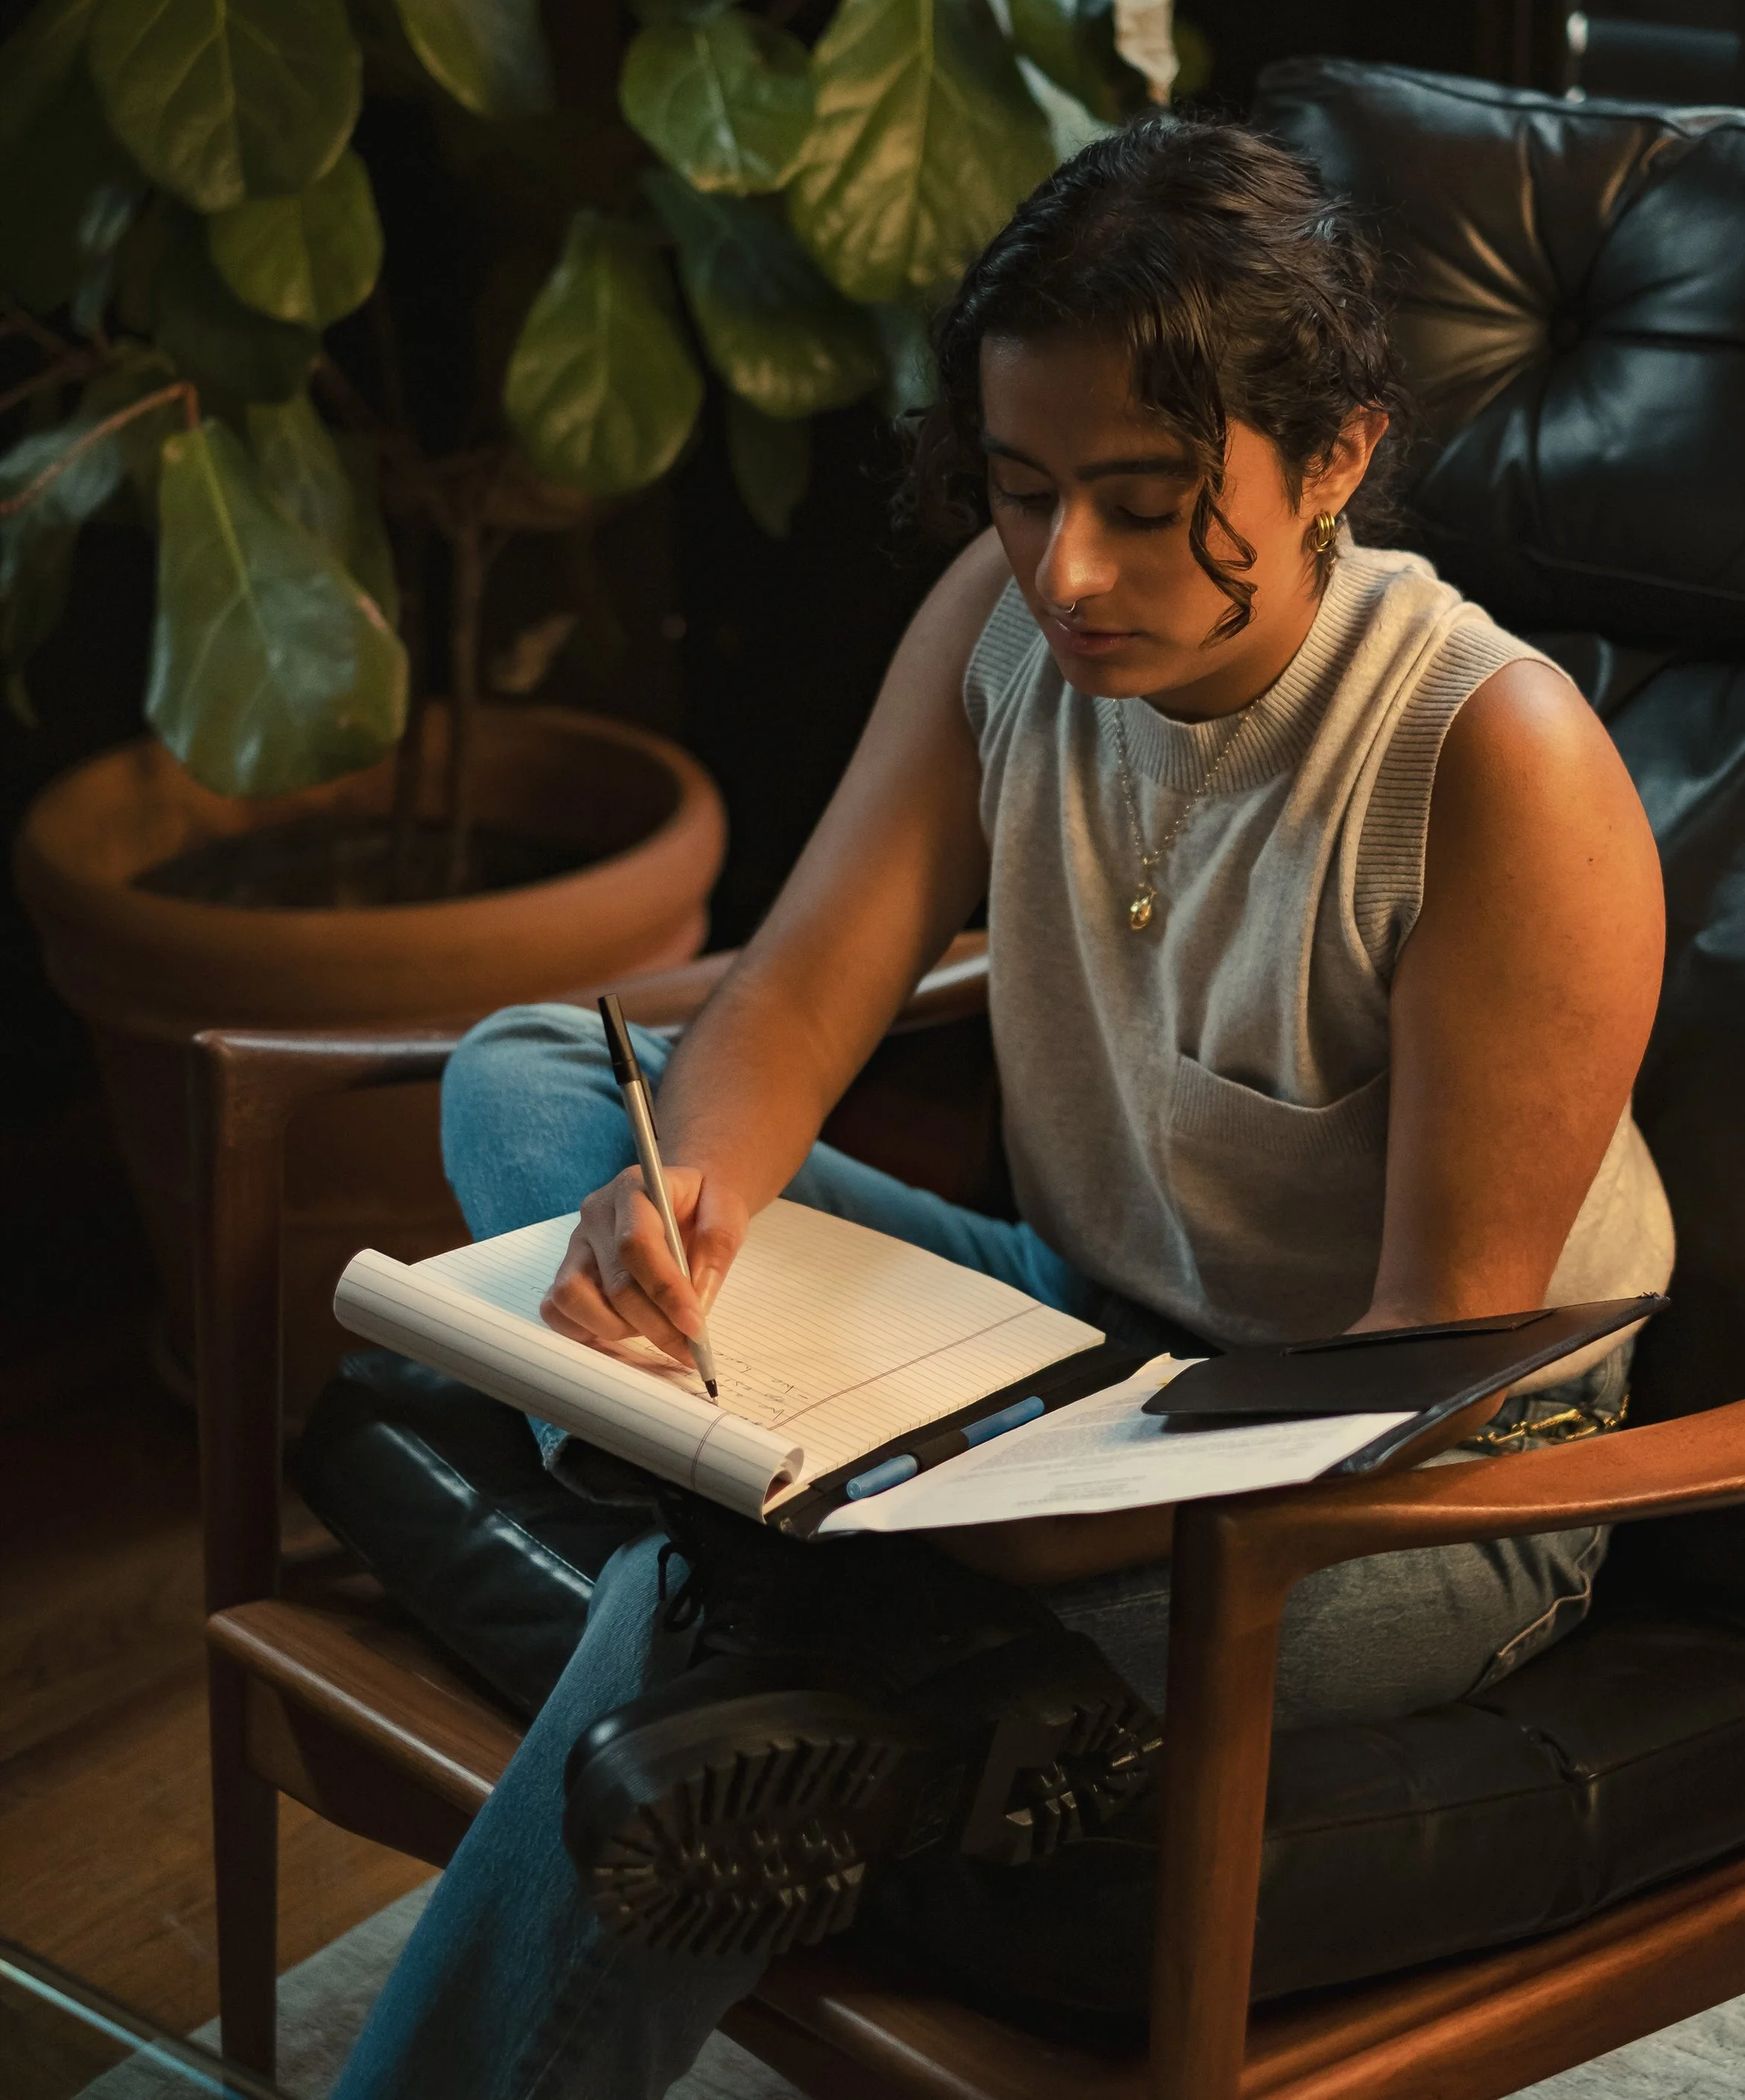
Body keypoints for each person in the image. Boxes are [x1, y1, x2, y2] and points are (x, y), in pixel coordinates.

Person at [334, 115, 1672, 2100]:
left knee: (712, 1600)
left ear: (1331, 458)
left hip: (1414, 1486)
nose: (1065, 567)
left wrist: (1048, 1520)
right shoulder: (999, 619)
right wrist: (685, 1202)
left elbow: (1426, 1359)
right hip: (1078, 1332)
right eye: (1021, 486)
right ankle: (826, 1555)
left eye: (1141, 502)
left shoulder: (1489, 761)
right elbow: (798, 979)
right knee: (533, 1077)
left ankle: (792, 1572)